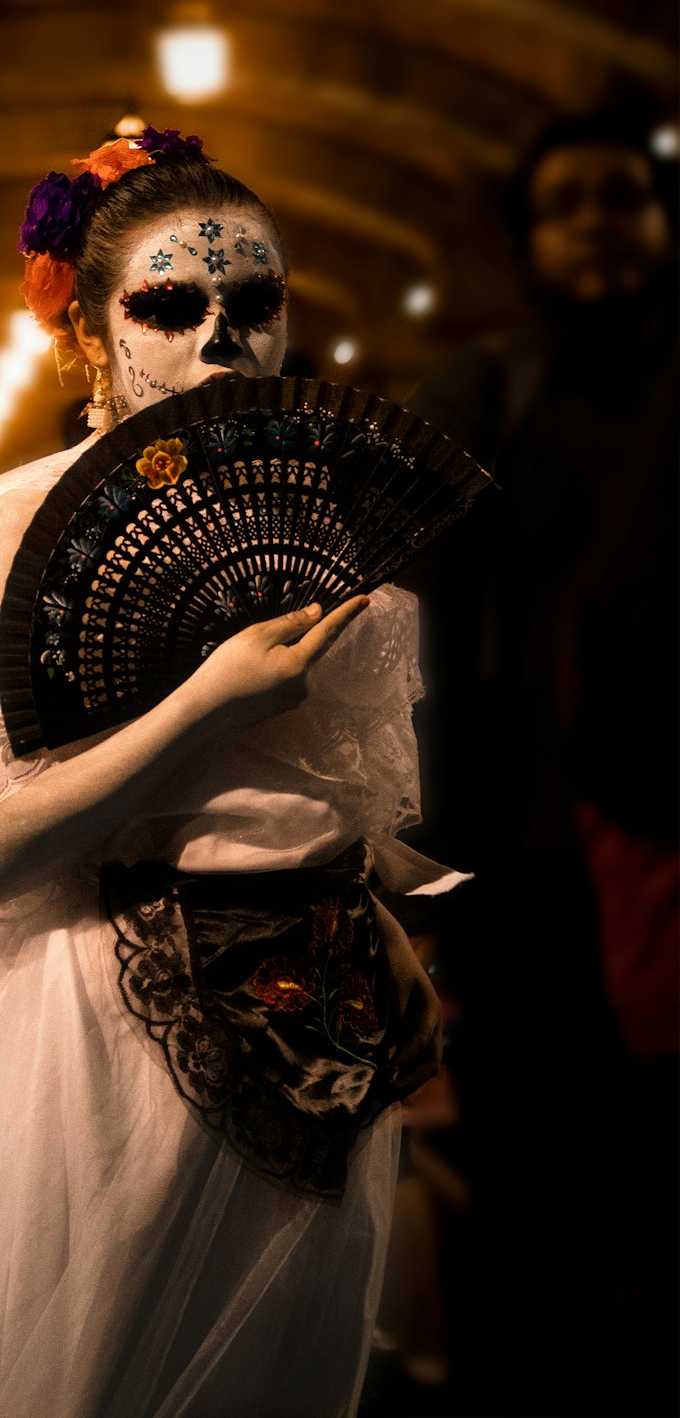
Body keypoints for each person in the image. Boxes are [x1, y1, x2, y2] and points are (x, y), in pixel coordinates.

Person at [0, 127, 467, 1418]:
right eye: (172, 306)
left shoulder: (332, 519)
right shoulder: (19, 519)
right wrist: (202, 705)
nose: (221, 338)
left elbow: (338, 796)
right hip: (105, 1031)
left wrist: (385, 913)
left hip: (317, 1033)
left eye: (256, 303)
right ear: (90, 331)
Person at [402, 110, 679, 1418]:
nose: (599, 223)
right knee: (532, 1190)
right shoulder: (489, 393)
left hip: (664, 850)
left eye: (622, 196)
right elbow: (411, 631)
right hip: (527, 863)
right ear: (527, 244)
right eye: (567, 203)